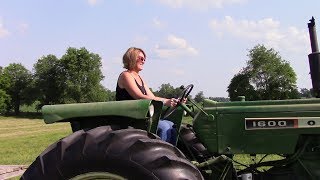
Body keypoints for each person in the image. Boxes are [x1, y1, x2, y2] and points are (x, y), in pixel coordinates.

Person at [116, 47, 179, 145]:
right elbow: (139, 96)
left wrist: (171, 101)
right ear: (131, 58)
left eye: (144, 59)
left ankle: (174, 155)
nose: (143, 60)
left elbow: (153, 97)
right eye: (140, 58)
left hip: (141, 116)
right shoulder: (126, 75)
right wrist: (165, 102)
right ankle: (160, 156)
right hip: (130, 118)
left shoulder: (139, 77)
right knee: (164, 127)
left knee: (171, 125)